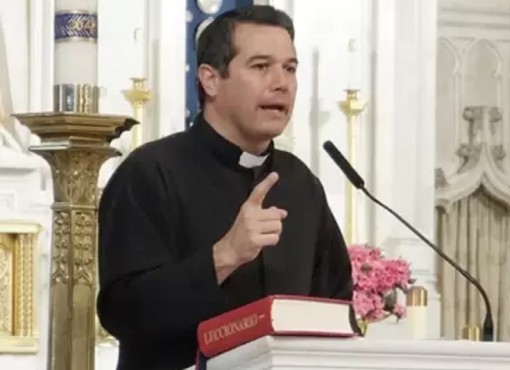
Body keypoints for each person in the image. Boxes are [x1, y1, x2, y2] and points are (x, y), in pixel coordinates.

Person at [96, 5, 354, 370]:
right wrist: (224, 255)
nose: (281, 82)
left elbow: (337, 305)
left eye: (290, 68)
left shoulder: (300, 183)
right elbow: (122, 312)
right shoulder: (149, 173)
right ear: (210, 79)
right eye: (261, 66)